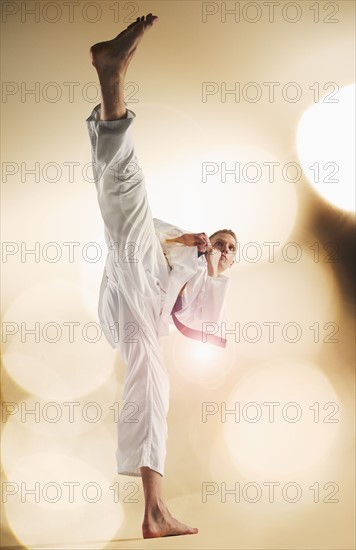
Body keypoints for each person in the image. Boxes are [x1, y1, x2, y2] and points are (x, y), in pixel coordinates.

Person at [86, 13, 237, 539]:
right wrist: (191, 243)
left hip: (141, 312)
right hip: (134, 276)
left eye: (232, 249)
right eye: (221, 238)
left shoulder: (207, 278)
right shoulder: (180, 244)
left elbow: (201, 325)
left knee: (152, 391)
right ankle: (112, 77)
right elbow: (146, 226)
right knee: (121, 189)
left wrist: (213, 270)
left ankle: (153, 510)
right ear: (208, 234)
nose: (224, 247)